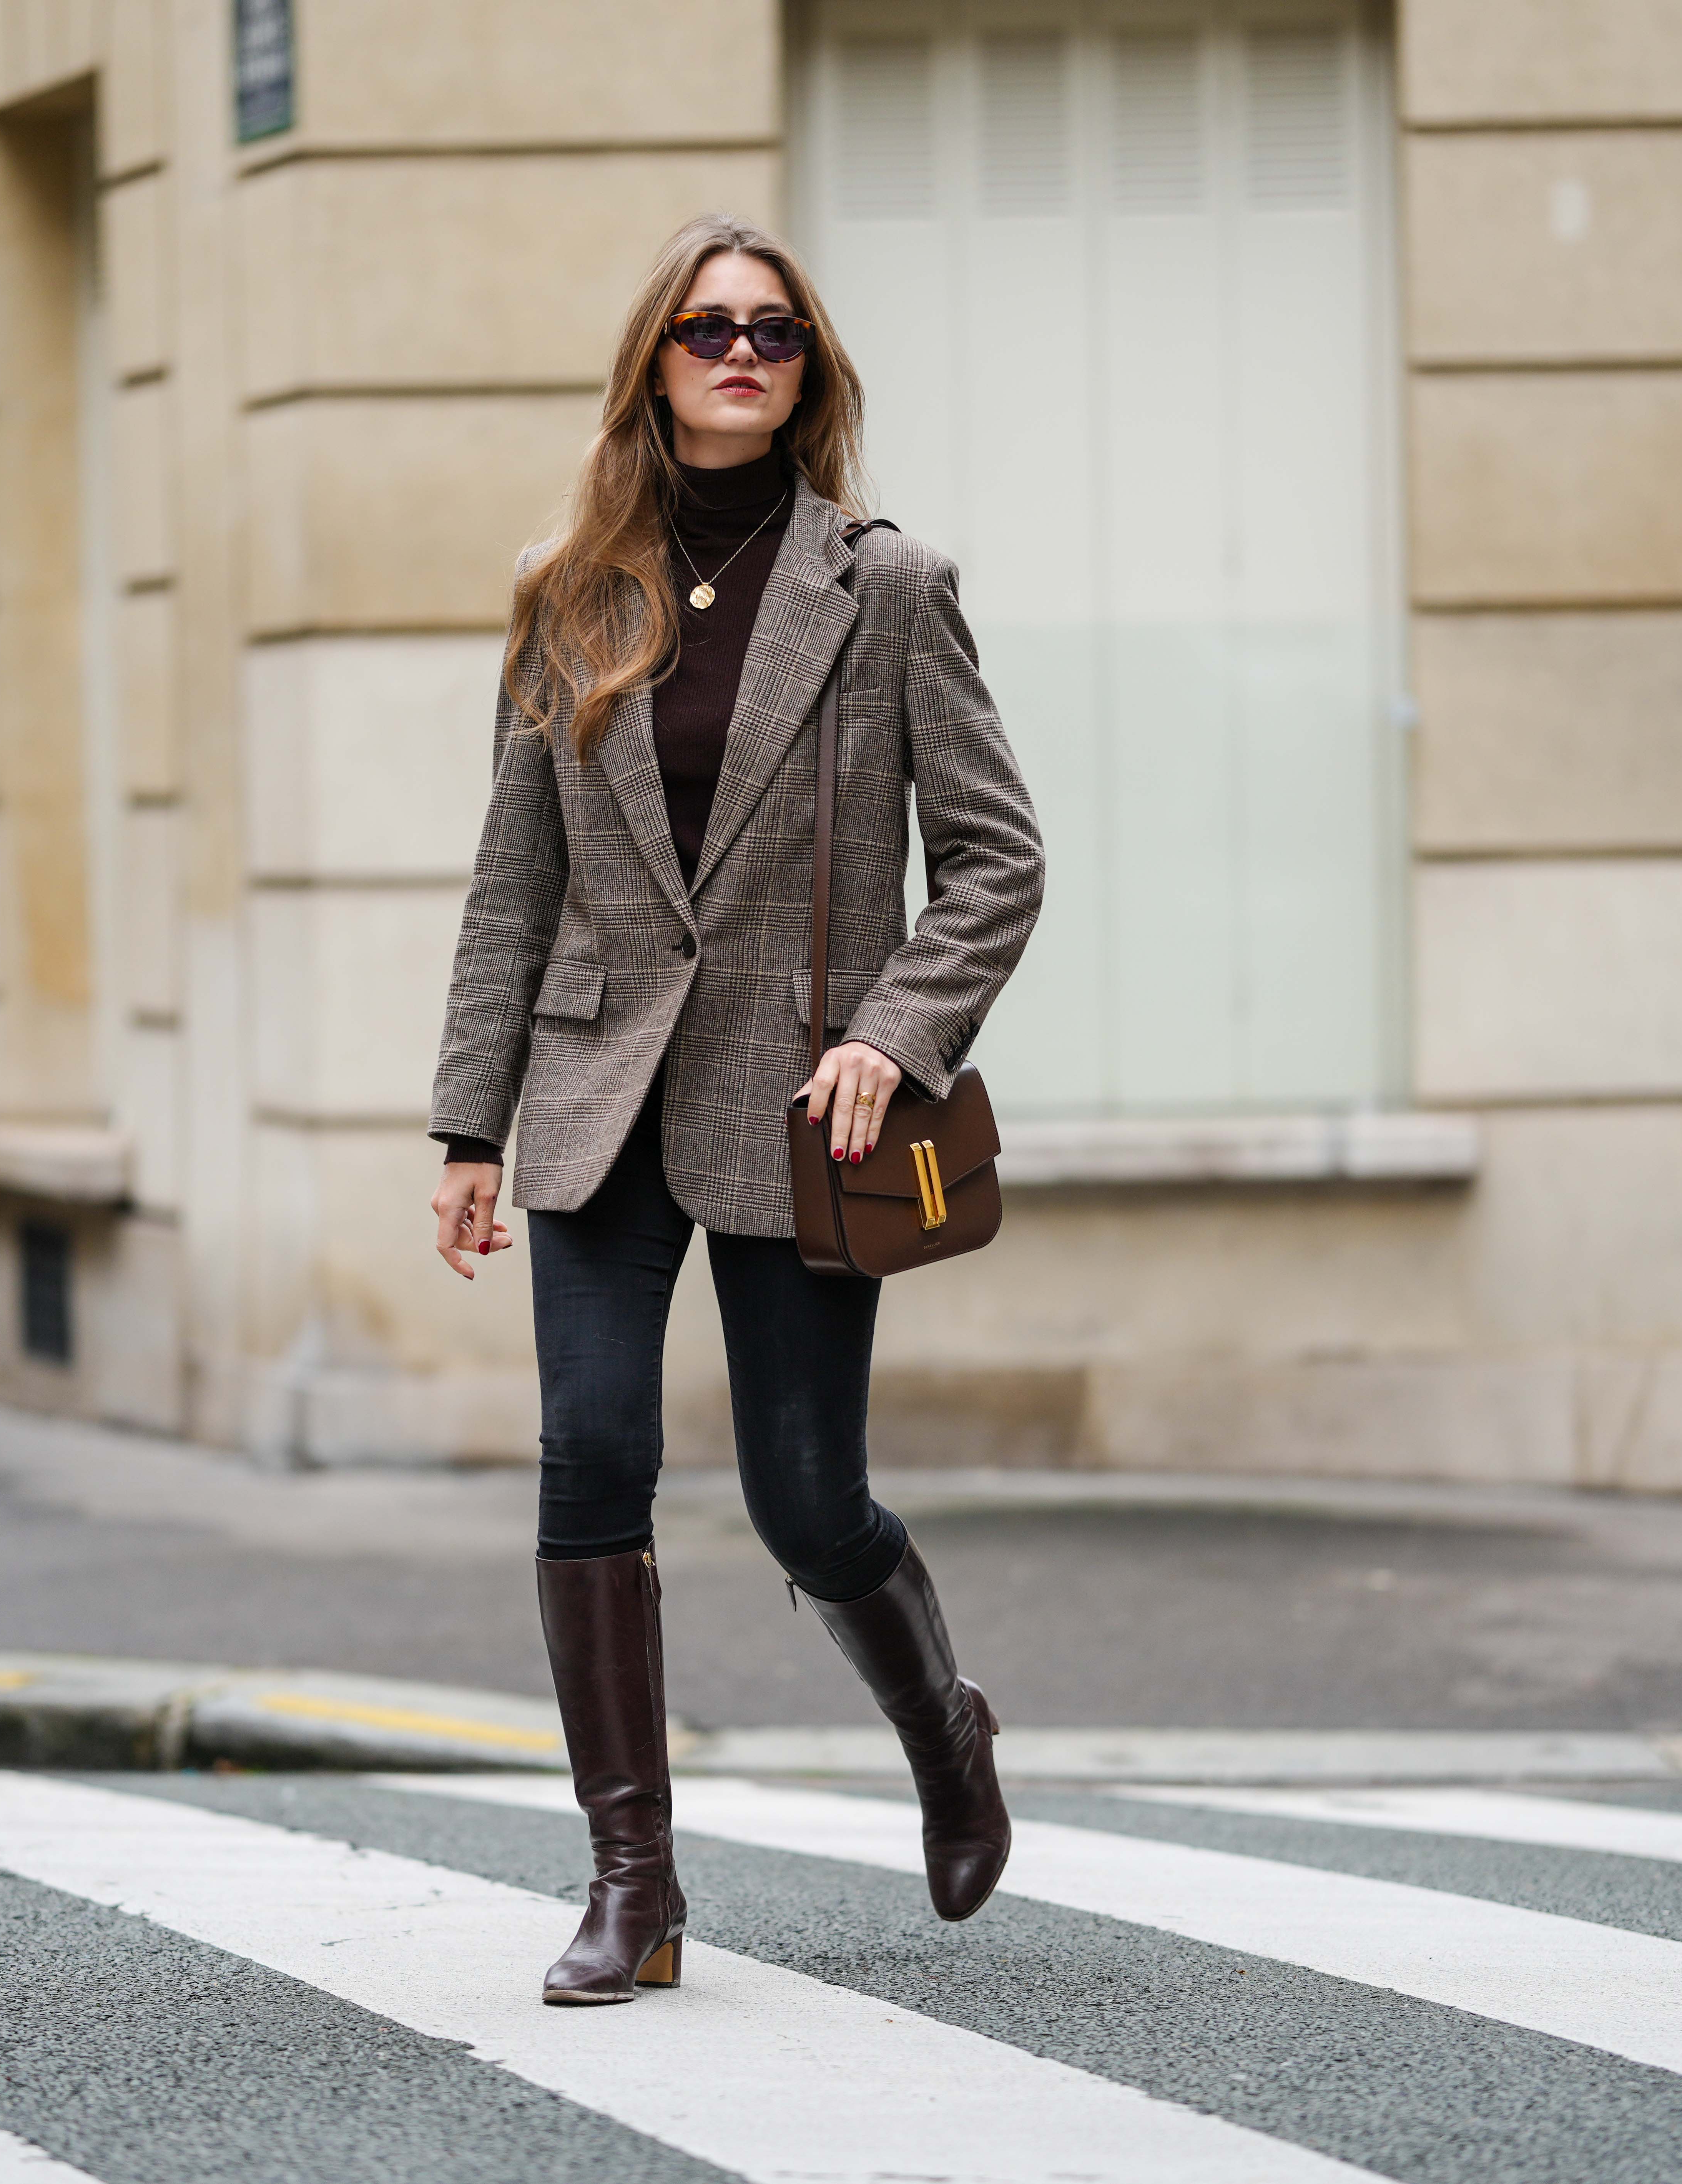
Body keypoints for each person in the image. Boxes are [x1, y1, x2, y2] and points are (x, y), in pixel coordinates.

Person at [427, 214, 1044, 2006]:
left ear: (806, 368)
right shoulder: (567, 589)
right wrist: (468, 1128)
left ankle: (943, 1723)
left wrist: (898, 1032)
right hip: (597, 1089)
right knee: (589, 1452)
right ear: (654, 361)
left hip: (806, 1110)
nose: (740, 351)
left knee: (802, 1496)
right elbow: (509, 882)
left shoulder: (889, 587)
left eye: (772, 330)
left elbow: (995, 862)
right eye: (706, 328)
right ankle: (634, 1881)